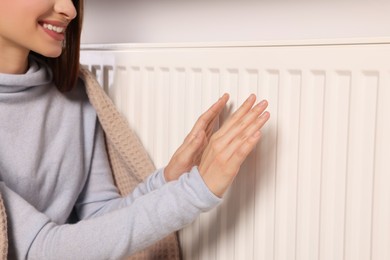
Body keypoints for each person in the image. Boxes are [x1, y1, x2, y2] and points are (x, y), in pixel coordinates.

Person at [0, 0, 270, 259]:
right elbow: (40, 249)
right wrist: (195, 191)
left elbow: (97, 217)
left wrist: (166, 181)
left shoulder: (77, 95)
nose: (69, 9)